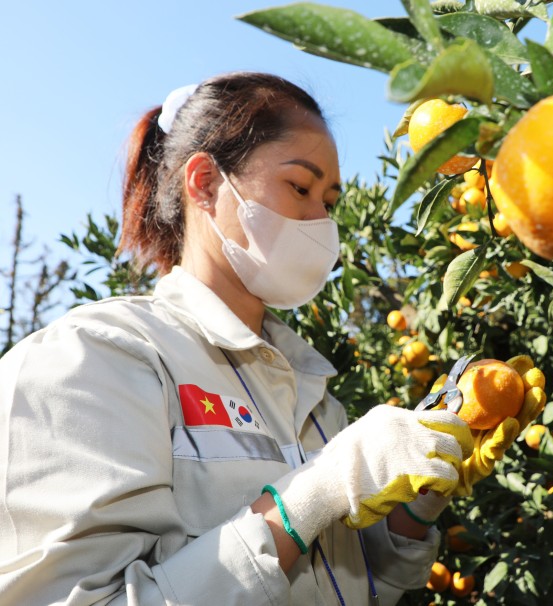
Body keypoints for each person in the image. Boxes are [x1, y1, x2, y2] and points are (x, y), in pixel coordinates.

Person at [0, 72, 480, 605]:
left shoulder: (315, 396)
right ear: (205, 182)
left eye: (330, 201)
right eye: (301, 187)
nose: (322, 223)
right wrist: (310, 497)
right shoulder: (97, 358)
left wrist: (413, 511)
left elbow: (360, 586)